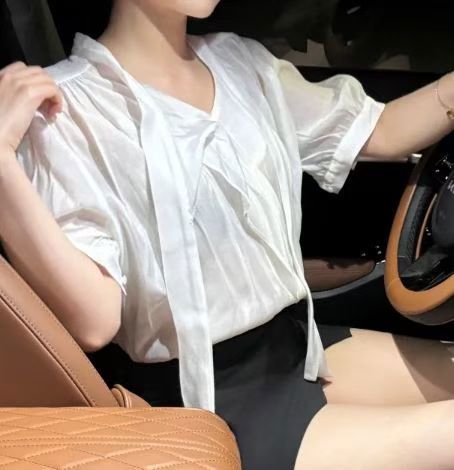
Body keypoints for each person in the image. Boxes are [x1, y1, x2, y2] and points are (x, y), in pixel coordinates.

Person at [0, 0, 453, 468]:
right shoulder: (67, 107)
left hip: (294, 350)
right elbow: (94, 322)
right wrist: (2, 165)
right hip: (207, 403)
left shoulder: (240, 63)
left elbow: (378, 130)